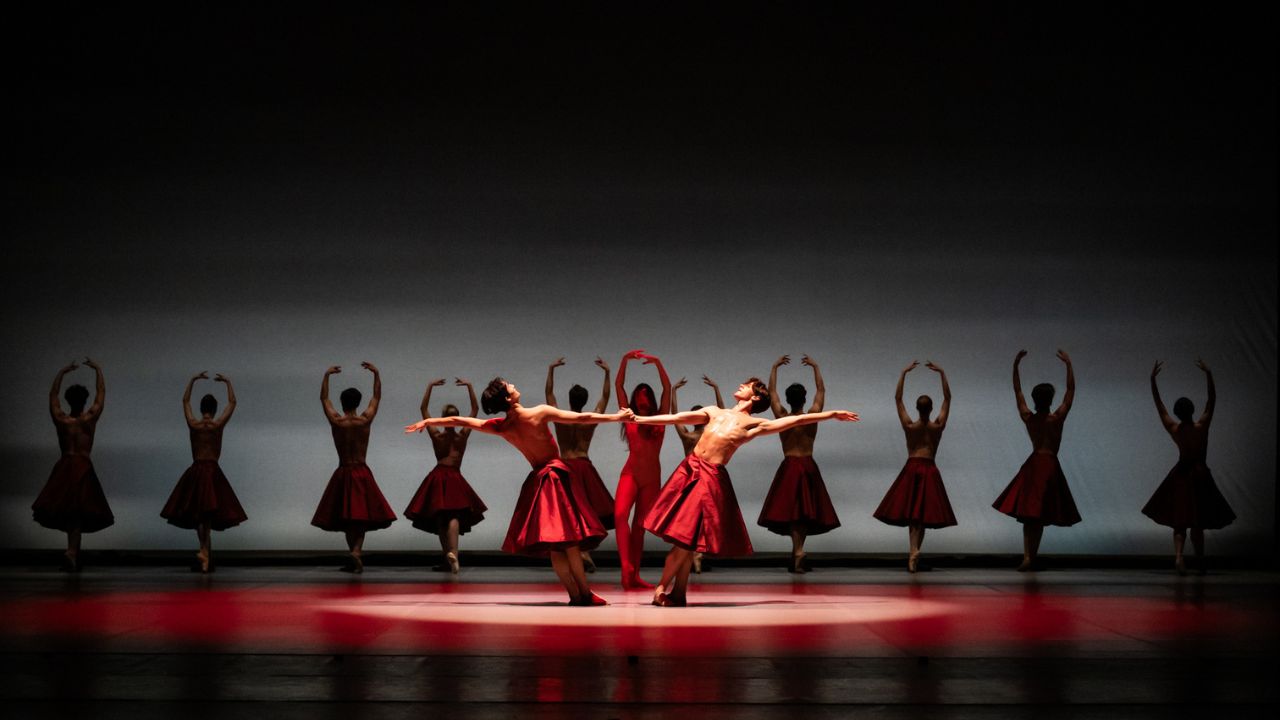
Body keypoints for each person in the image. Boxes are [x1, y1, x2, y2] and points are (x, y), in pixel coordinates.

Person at [633, 378, 859, 606]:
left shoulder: (754, 424)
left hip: (710, 478)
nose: (741, 384)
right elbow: (677, 418)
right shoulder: (714, 412)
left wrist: (830, 414)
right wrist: (640, 418)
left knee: (685, 540)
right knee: (686, 540)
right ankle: (678, 592)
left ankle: (662, 588)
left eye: (748, 384)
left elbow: (796, 419)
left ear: (756, 396)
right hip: (689, 471)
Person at [406, 377, 629, 605]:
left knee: (557, 545)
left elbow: (462, 421)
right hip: (555, 478)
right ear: (507, 397)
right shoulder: (538, 412)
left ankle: (575, 594)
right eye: (509, 385)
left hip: (539, 481)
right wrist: (616, 417)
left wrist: (429, 421)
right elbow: (583, 418)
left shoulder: (503, 426)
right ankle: (584, 593)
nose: (513, 385)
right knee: (570, 541)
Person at [1142, 360, 1235, 574]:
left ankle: (1178, 557)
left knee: (1180, 520)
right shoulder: (1201, 426)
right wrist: (1209, 374)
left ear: (1178, 412)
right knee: (1197, 520)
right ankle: (1199, 558)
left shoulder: (1174, 428)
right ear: (1192, 411)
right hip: (1199, 473)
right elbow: (1212, 401)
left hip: (1182, 474)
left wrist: (1152, 381)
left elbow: (1160, 407)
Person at [992, 349, 1082, 571]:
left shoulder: (1029, 418)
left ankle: (1028, 557)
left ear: (1035, 400)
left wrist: (1015, 366)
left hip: (1034, 465)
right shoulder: (1056, 418)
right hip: (1049, 465)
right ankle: (1030, 557)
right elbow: (1070, 391)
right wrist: (1069, 365)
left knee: (1029, 515)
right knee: (1036, 516)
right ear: (1050, 400)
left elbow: (1018, 391)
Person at [757, 354, 842, 573]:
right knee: (803, 512)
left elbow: (772, 393)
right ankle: (798, 550)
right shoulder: (812, 416)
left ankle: (797, 550)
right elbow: (821, 392)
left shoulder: (782, 417)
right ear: (804, 400)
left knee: (795, 512)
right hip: (807, 465)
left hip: (789, 465)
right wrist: (815, 367)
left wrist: (775, 367)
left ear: (788, 400)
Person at [311, 362, 397, 573]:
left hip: (344, 471)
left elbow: (323, 399)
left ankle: (354, 554)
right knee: (359, 516)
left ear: (342, 403)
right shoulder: (364, 420)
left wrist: (326, 376)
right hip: (361, 471)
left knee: (349, 517)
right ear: (358, 402)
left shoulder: (337, 421)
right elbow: (376, 398)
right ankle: (356, 552)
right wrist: (376, 374)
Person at [874, 361, 958, 572]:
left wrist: (903, 373)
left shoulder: (910, 427)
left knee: (914, 515)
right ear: (930, 408)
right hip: (929, 469)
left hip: (912, 469)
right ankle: (914, 551)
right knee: (921, 515)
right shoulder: (937, 426)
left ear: (917, 408)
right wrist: (942, 373)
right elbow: (948, 399)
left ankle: (913, 551)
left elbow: (898, 399)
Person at [160, 371, 248, 573]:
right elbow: (232, 403)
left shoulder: (194, 424)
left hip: (197, 470)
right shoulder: (217, 425)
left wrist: (192, 381)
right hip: (211, 471)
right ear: (215, 410)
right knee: (205, 516)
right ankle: (204, 554)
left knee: (201, 516)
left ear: (202, 409)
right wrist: (227, 382)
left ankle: (204, 554)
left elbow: (185, 401)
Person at [33, 358, 114, 571]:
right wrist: (97, 369)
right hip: (82, 467)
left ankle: (73, 554)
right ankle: (72, 553)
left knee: (73, 513)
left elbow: (52, 397)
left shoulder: (61, 419)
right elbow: (101, 394)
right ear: (84, 401)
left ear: (69, 400)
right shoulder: (89, 419)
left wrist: (62, 373)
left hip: (65, 466)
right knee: (76, 513)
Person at [403, 377, 488, 574]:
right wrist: (470, 386)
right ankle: (452, 556)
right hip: (454, 477)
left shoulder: (437, 435)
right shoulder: (462, 435)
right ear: (457, 418)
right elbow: (475, 410)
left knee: (441, 518)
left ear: (442, 417)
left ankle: (448, 556)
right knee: (453, 516)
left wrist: (429, 386)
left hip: (438, 476)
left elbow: (424, 411)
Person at [546, 356, 614, 572]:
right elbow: (605, 397)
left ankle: (578, 551)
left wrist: (551, 370)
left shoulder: (560, 417)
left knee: (571, 513)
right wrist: (607, 373)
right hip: (583, 466)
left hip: (565, 466)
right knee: (589, 512)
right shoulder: (589, 418)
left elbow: (549, 395)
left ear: (570, 399)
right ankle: (583, 551)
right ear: (584, 401)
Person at [613, 349, 672, 589]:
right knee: (619, 516)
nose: (642, 396)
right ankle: (626, 568)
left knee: (640, 527)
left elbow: (667, 389)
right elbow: (619, 386)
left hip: (651, 478)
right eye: (639, 393)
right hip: (631, 474)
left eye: (646, 392)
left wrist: (658, 363)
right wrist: (624, 360)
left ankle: (633, 575)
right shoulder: (629, 417)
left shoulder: (660, 418)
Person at [671, 374, 724, 573]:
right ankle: (698, 554)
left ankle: (693, 554)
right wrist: (716, 389)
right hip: (706, 477)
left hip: (689, 477)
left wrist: (674, 391)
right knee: (703, 517)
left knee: (688, 518)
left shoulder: (687, 435)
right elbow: (726, 414)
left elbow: (675, 416)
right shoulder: (714, 433)